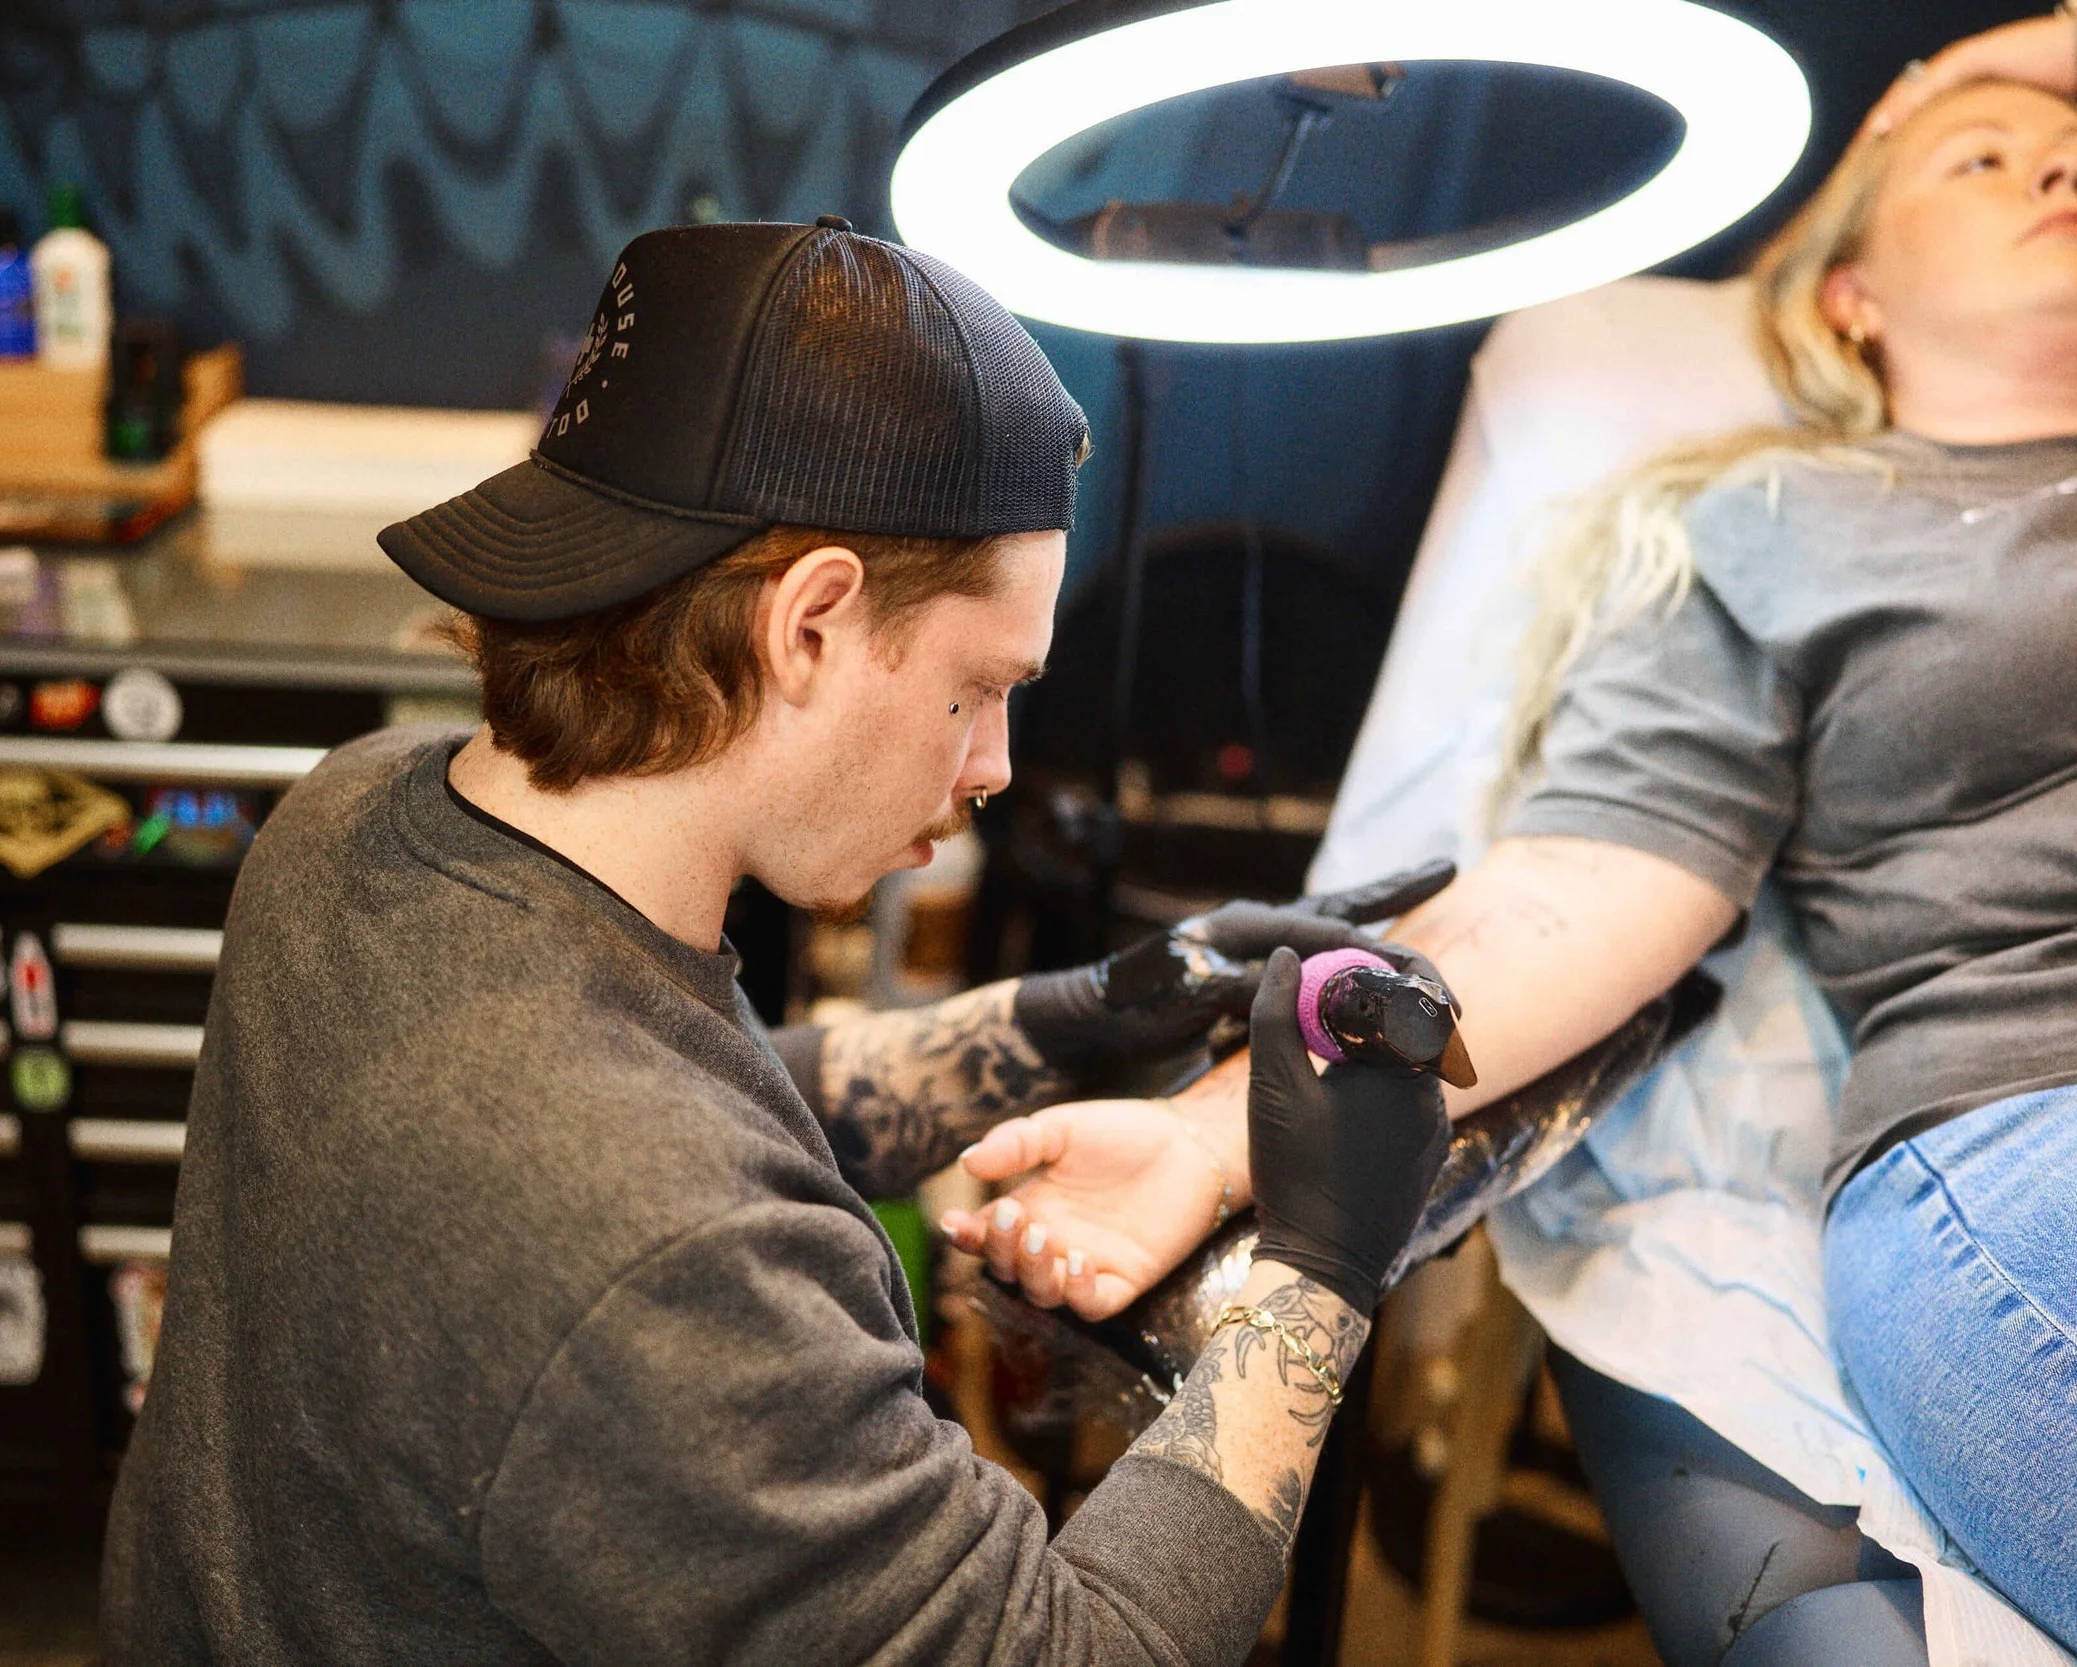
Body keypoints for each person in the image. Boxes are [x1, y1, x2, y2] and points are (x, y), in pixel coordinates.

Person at [947, 6, 2077, 1663]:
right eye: (1981, 160)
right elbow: (1581, 890)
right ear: (1850, 294)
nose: (2066, 170)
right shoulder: (1769, 526)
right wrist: (1223, 1140)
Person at [100, 218, 1460, 1666]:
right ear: (808, 622)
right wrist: (1321, 1266)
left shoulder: (358, 820)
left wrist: (1070, 1016)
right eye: (980, 686)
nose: (995, 763)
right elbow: (1081, 1652)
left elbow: (691, 1100)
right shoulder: (659, 1258)